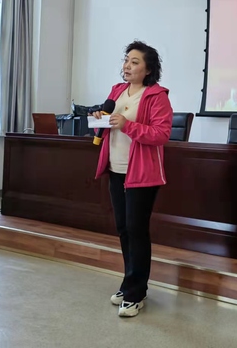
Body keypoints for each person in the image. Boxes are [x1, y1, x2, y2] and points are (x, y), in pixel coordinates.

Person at [92, 40, 173, 318]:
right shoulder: (117, 91)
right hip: (116, 168)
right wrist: (100, 119)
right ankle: (130, 284)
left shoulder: (156, 96)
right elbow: (109, 122)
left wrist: (128, 125)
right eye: (126, 60)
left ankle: (136, 294)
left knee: (137, 230)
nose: (127, 66)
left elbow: (161, 134)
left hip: (142, 173)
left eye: (134, 62)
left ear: (148, 70)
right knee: (123, 228)